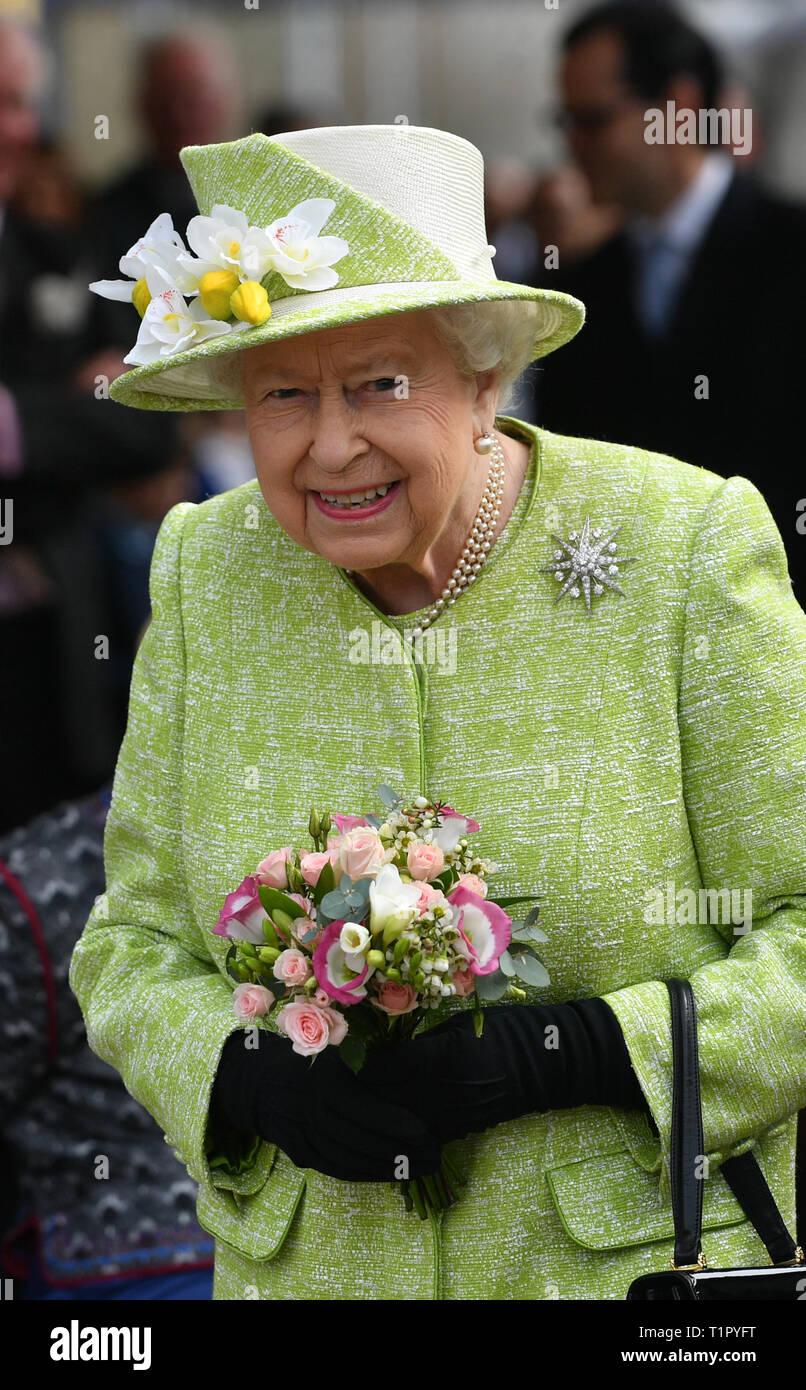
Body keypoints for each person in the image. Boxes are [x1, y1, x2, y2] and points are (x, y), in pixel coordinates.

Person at [69, 122, 806, 1301]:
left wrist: (584, 1050)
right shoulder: (207, 567)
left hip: (630, 1286)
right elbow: (131, 945)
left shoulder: (680, 546)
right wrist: (243, 1077)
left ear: (483, 382)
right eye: (283, 395)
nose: (329, 445)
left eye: (380, 384)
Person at [533, 0, 806, 611]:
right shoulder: (579, 288)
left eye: (593, 120)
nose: (573, 147)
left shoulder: (791, 254)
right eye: (565, 122)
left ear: (678, 110)